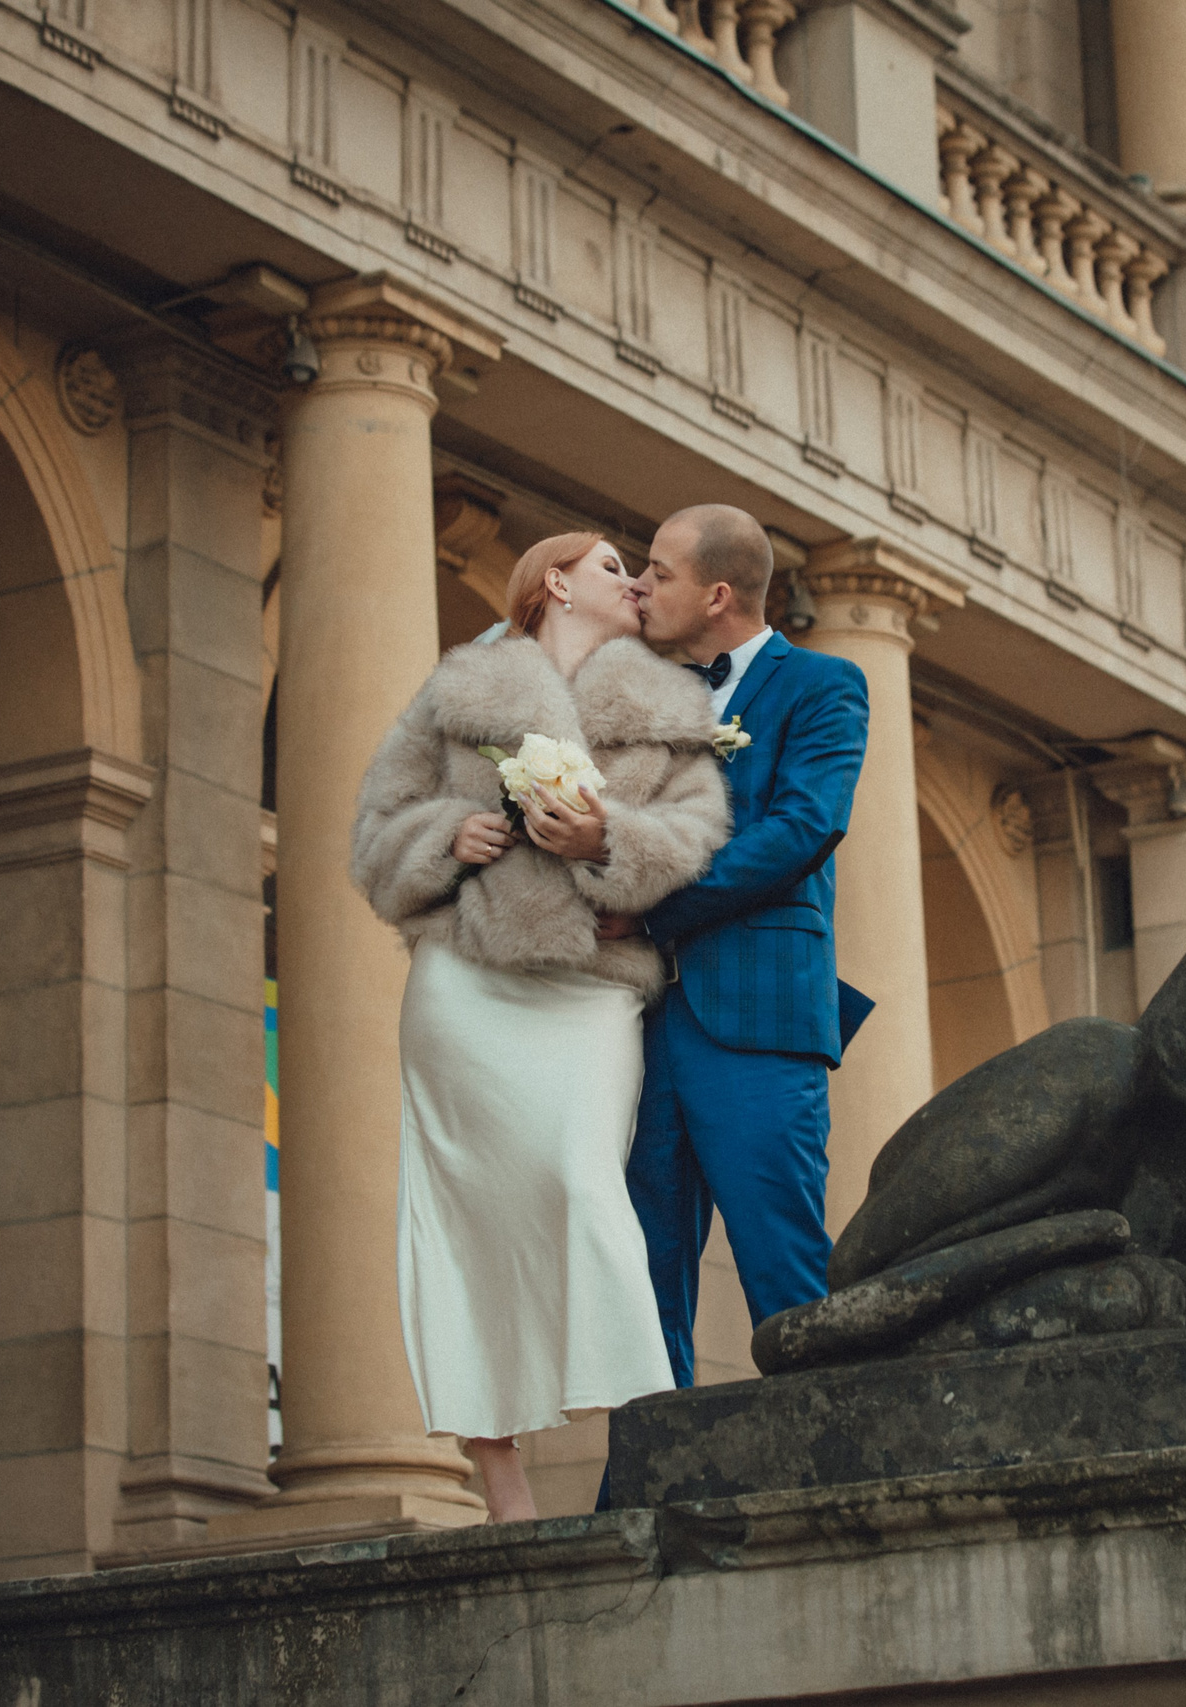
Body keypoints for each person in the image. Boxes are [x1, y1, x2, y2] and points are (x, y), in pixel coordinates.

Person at [348, 532, 731, 1523]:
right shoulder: (458, 694)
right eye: (616, 567)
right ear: (554, 581)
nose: (637, 584)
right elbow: (378, 832)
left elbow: (698, 837)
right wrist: (447, 839)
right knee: (465, 1217)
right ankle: (502, 1484)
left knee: (582, 1186)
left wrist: (609, 842)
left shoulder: (669, 709)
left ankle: (645, 1437)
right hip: (464, 990)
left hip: (590, 987)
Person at [623, 504, 873, 1388]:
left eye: (658, 571)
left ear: (717, 593)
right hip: (640, 1027)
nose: (641, 586)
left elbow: (806, 827)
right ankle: (641, 1491)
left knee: (785, 1267)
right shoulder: (642, 700)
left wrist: (653, 905)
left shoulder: (825, 685)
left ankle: (834, 1479)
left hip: (760, 1021)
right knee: (642, 1278)